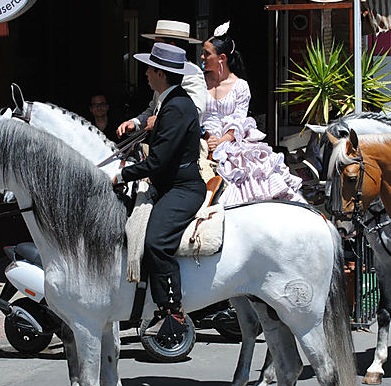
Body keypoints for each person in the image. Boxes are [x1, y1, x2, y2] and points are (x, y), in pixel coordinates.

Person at [113, 42, 206, 327]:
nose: (146, 74)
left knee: (154, 242)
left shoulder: (176, 107)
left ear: (161, 74)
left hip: (183, 188)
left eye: (149, 69)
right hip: (170, 184)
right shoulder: (169, 100)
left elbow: (158, 162)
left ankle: (171, 310)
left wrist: (120, 176)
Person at [200, 21, 304, 205]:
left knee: (250, 174)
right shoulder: (198, 81)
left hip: (228, 142)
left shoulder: (240, 86)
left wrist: (220, 141)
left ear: (221, 58)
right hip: (199, 138)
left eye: (207, 53)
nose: (202, 57)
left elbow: (239, 121)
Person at [117, 20, 206, 137]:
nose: (153, 47)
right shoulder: (161, 72)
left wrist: (161, 120)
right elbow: (155, 107)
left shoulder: (192, 73)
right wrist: (135, 123)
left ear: (172, 46)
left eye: (157, 43)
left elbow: (195, 111)